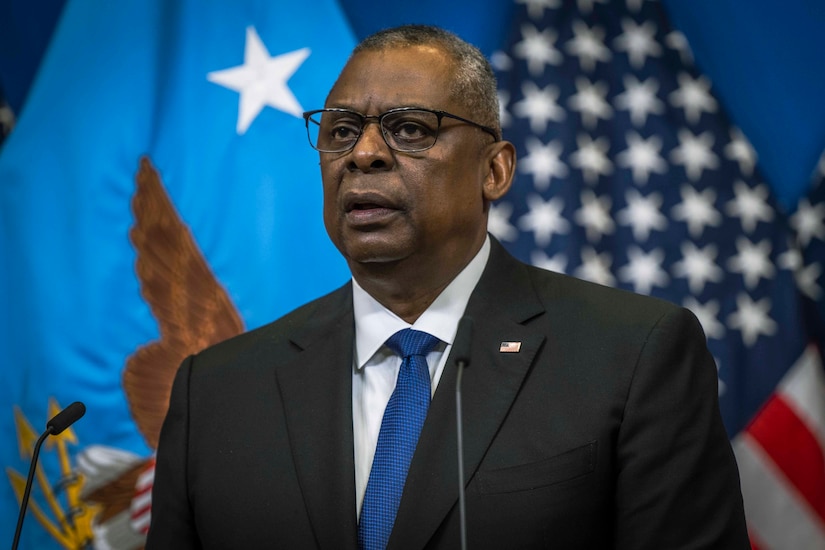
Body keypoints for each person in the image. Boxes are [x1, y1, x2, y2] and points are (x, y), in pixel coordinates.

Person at [146, 24, 750, 549]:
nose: (364, 154)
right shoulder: (217, 390)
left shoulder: (633, 354)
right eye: (341, 131)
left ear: (495, 170)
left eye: (409, 129)